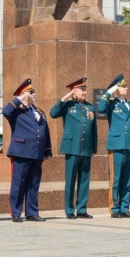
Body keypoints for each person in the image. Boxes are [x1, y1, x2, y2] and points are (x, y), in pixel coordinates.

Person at [2, 78, 51, 222]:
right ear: (23, 94)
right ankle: (16, 212)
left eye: (34, 91)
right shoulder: (16, 110)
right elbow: (6, 111)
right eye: (31, 92)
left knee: (33, 183)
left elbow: (45, 131)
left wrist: (47, 150)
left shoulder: (39, 111)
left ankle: (32, 212)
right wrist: (19, 99)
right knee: (19, 183)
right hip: (21, 151)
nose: (34, 94)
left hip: (37, 152)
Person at [50, 77, 97, 219]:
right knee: (70, 180)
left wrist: (93, 148)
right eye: (81, 89)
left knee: (84, 180)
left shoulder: (90, 107)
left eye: (85, 89)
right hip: (72, 148)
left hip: (86, 148)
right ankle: (69, 209)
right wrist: (64, 99)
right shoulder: (67, 106)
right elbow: (53, 113)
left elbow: (93, 130)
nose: (85, 92)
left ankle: (82, 209)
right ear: (73, 92)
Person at [98, 73, 130, 218]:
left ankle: (124, 207)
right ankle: (114, 208)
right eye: (122, 86)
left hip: (129, 146)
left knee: (127, 179)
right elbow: (100, 108)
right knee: (115, 179)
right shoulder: (111, 104)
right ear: (116, 89)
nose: (125, 88)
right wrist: (108, 92)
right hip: (116, 146)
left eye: (126, 86)